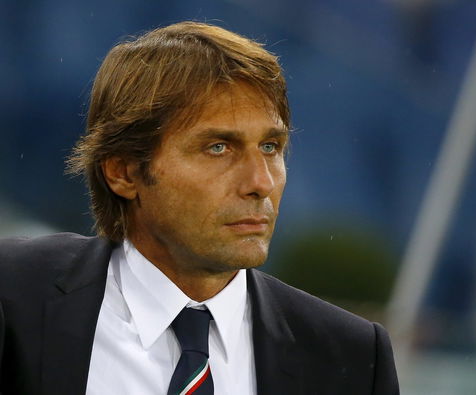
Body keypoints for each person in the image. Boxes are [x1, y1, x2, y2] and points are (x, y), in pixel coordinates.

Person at [0, 21, 399, 395]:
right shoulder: (14, 297)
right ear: (123, 172)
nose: (260, 183)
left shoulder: (352, 357)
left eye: (270, 147)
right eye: (218, 148)